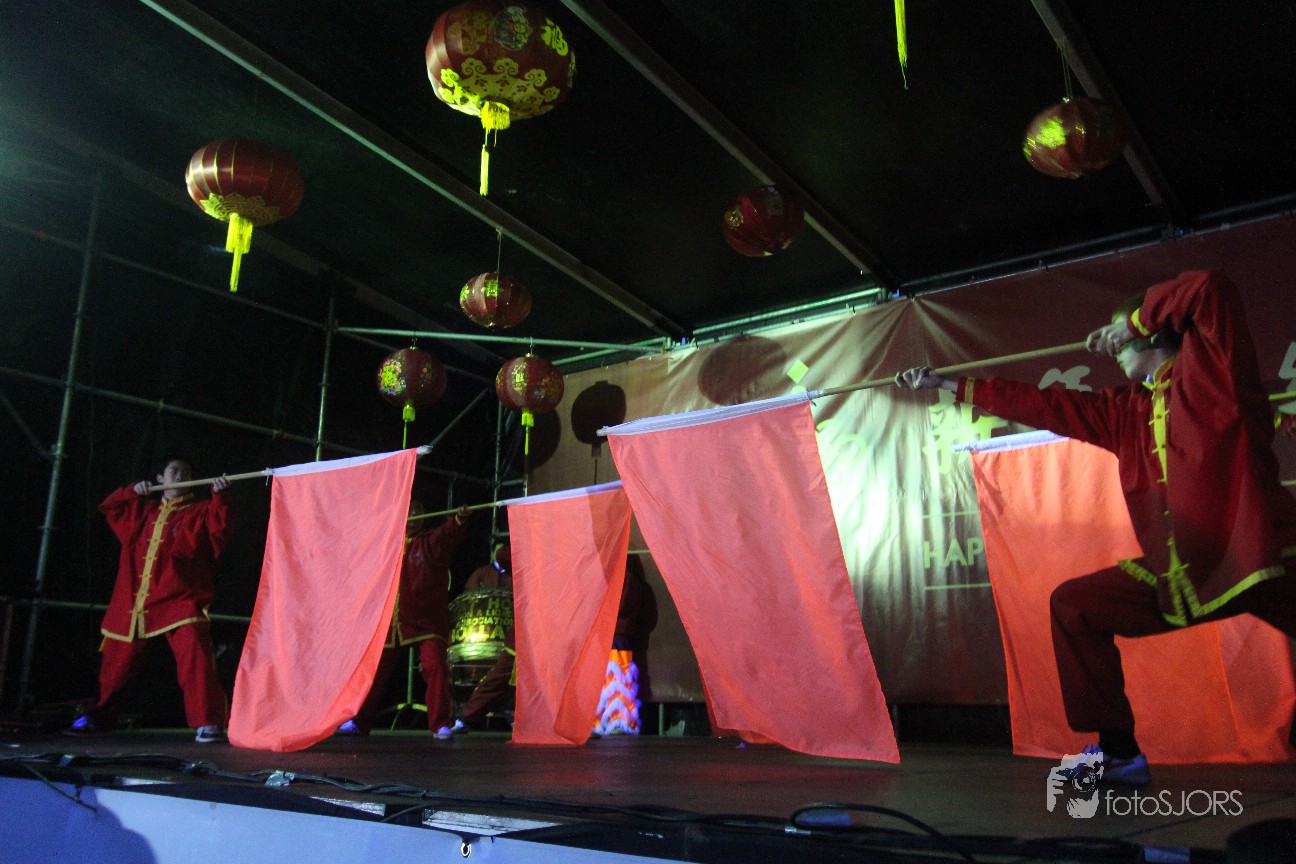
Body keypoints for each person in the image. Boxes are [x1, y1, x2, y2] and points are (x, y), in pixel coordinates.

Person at [895, 269, 1296, 786]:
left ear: (1150, 335)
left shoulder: (1214, 376)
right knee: (1075, 606)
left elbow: (1211, 288)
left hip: (1260, 558)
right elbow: (1049, 405)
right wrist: (949, 384)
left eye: (1121, 339)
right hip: (1184, 577)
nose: (1113, 350)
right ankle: (1120, 754)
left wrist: (1131, 321)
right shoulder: (1126, 412)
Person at [67, 457, 233, 743]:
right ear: (160, 479)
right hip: (134, 603)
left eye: (186, 472)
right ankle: (99, 717)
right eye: (174, 471)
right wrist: (132, 491)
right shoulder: (141, 512)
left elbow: (222, 526)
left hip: (179, 600)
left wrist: (221, 496)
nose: (181, 476)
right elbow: (110, 507)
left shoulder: (199, 511)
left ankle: (208, 722)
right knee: (116, 666)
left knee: (195, 653)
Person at [337, 501, 470, 738]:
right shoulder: (389, 542)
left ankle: (440, 723)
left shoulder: (430, 541)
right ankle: (359, 721)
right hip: (393, 620)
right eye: (410, 513)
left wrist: (459, 519)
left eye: (419, 513)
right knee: (375, 671)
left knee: (435, 667)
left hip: (426, 619)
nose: (414, 517)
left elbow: (448, 533)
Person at [446, 543, 515, 733]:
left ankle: (571, 723)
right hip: (517, 633)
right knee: (498, 677)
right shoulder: (524, 559)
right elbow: (502, 554)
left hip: (544, 632)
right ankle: (466, 718)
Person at [593, 554, 658, 735]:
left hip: (618, 635)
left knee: (617, 676)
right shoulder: (638, 584)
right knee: (614, 676)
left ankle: (618, 720)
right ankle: (611, 720)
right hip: (619, 636)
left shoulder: (626, 580)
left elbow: (620, 607)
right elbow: (650, 617)